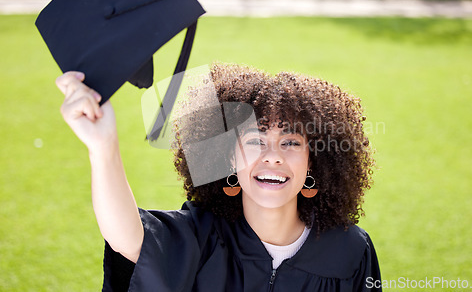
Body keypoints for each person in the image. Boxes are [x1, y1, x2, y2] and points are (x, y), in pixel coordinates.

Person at [56, 62, 382, 291]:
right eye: (255, 140)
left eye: (291, 142)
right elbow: (128, 238)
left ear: (314, 161)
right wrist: (103, 148)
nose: (272, 155)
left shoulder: (350, 251)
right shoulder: (202, 237)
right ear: (229, 157)